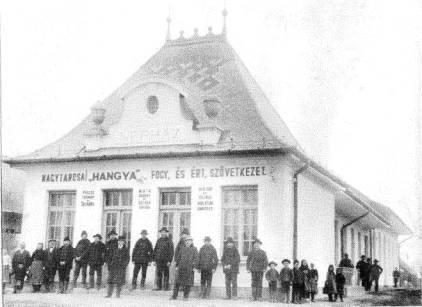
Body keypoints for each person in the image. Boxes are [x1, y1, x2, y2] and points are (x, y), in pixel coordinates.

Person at [171, 235, 198, 300]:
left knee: (187, 284)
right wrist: (177, 266)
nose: (188, 242)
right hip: (181, 268)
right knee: (177, 282)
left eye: (189, 241)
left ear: (191, 242)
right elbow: (178, 258)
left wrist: (194, 267)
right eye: (186, 241)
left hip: (189, 269)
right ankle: (174, 296)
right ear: (185, 242)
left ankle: (185, 297)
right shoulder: (182, 249)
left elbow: (196, 259)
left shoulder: (194, 249)